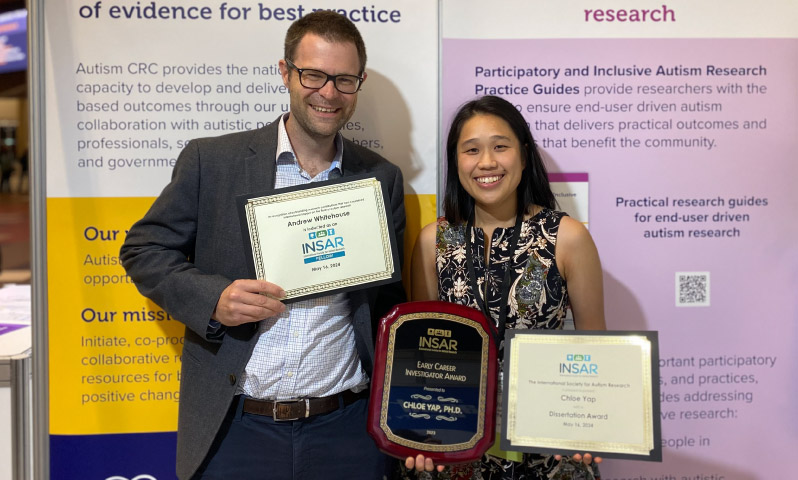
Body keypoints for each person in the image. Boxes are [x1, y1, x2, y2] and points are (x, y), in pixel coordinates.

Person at [120, 11, 406, 480]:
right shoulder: (211, 161)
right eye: (313, 75)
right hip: (236, 429)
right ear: (285, 72)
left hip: (347, 431)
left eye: (344, 79)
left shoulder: (380, 178)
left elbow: (388, 302)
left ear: (360, 82)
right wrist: (213, 298)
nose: (328, 93)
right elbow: (144, 250)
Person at [405, 95, 606, 480]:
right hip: (455, 451)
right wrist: (414, 435)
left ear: (524, 155)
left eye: (500, 147)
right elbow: (420, 361)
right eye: (472, 150)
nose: (487, 163)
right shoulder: (434, 241)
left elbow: (595, 350)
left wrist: (593, 427)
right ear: (456, 161)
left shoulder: (567, 237)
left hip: (550, 450)